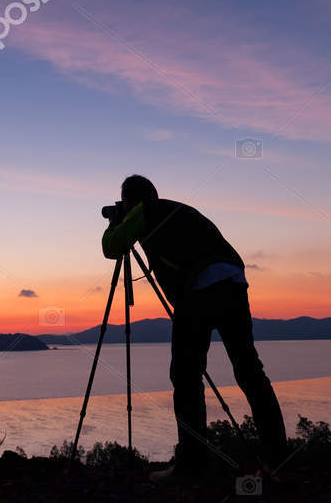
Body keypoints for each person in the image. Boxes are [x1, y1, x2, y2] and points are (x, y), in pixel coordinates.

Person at [101, 174, 286, 483]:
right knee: (249, 370)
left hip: (199, 290)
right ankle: (279, 459)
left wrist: (114, 223)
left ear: (131, 200)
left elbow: (112, 247)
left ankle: (192, 464)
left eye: (126, 202)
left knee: (186, 375)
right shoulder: (181, 210)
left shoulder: (143, 212)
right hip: (234, 283)